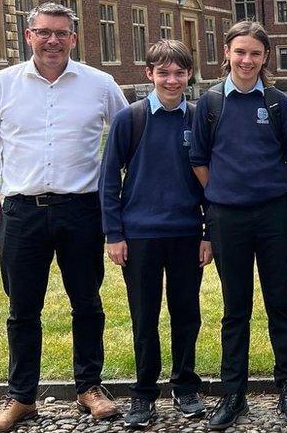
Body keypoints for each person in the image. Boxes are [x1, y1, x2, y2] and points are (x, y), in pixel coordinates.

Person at [0, 2, 126, 433]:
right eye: (44, 32)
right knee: (22, 308)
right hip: (22, 211)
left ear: (74, 39)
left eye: (62, 33)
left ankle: (89, 387)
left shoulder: (99, 85)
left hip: (81, 209)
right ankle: (21, 397)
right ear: (29, 36)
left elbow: (128, 137)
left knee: (87, 302)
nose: (53, 41)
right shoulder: (1, 85)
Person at [189, 21, 287, 430]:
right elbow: (199, 160)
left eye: (255, 53)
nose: (247, 60)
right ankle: (233, 392)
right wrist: (224, 192)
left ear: (265, 58)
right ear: (227, 52)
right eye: (240, 52)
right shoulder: (211, 103)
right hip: (226, 218)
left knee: (280, 303)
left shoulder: (277, 104)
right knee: (235, 308)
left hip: (272, 215)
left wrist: (270, 189)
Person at [98, 40, 212, 429]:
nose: (172, 79)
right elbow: (108, 180)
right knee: (144, 317)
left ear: (189, 75)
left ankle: (185, 386)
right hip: (140, 235)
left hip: (185, 233)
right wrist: (113, 233)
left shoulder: (199, 119)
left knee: (186, 314)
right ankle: (144, 394)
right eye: (163, 72)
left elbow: (211, 184)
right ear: (149, 74)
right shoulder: (130, 120)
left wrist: (208, 232)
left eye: (179, 72)